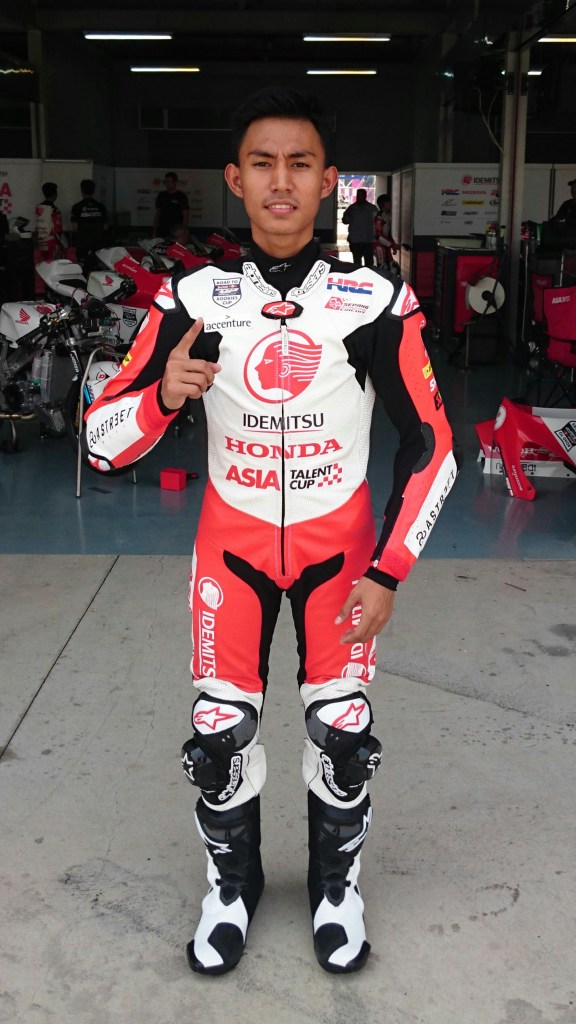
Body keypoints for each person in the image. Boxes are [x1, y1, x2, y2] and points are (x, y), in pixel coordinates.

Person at [82, 87, 458, 977]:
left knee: (343, 732)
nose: (280, 181)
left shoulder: (375, 299)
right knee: (218, 734)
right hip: (235, 546)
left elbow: (434, 443)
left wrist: (389, 569)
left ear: (329, 182)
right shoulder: (191, 296)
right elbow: (100, 440)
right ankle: (232, 888)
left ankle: (336, 891)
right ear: (234, 179)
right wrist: (162, 397)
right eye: (263, 163)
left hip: (341, 554)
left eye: (299, 163)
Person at [70, 179, 109, 266]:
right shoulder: (101, 207)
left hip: (82, 244)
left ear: (82, 190)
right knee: (97, 266)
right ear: (94, 191)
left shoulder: (76, 207)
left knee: (83, 267)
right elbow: (105, 227)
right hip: (98, 244)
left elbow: (75, 227)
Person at [341, 186, 378, 266]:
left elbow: (378, 224)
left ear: (365, 196)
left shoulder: (372, 208)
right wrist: (348, 214)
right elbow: (345, 221)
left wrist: (376, 238)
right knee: (357, 264)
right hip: (355, 241)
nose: (360, 197)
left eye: (362, 195)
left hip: (369, 241)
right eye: (358, 195)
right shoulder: (351, 208)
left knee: (369, 264)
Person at [153, 172, 190, 239]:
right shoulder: (161, 195)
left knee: (174, 245)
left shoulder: (181, 196)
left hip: (176, 230)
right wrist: (154, 231)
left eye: (169, 182)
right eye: (166, 182)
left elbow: (186, 215)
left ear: (175, 182)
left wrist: (183, 232)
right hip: (162, 229)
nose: (167, 184)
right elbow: (158, 213)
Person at [35, 182, 65, 261]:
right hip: (52, 243)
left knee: (44, 264)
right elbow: (58, 229)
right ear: (55, 194)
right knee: (53, 264)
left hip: (41, 242)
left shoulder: (39, 208)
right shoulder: (55, 210)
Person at [373, 193, 399, 269]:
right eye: (388, 202)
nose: (390, 204)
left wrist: (392, 244)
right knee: (383, 268)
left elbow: (388, 233)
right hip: (378, 244)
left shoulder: (388, 215)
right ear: (382, 204)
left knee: (393, 267)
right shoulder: (379, 217)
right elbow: (378, 236)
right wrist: (392, 245)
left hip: (386, 244)